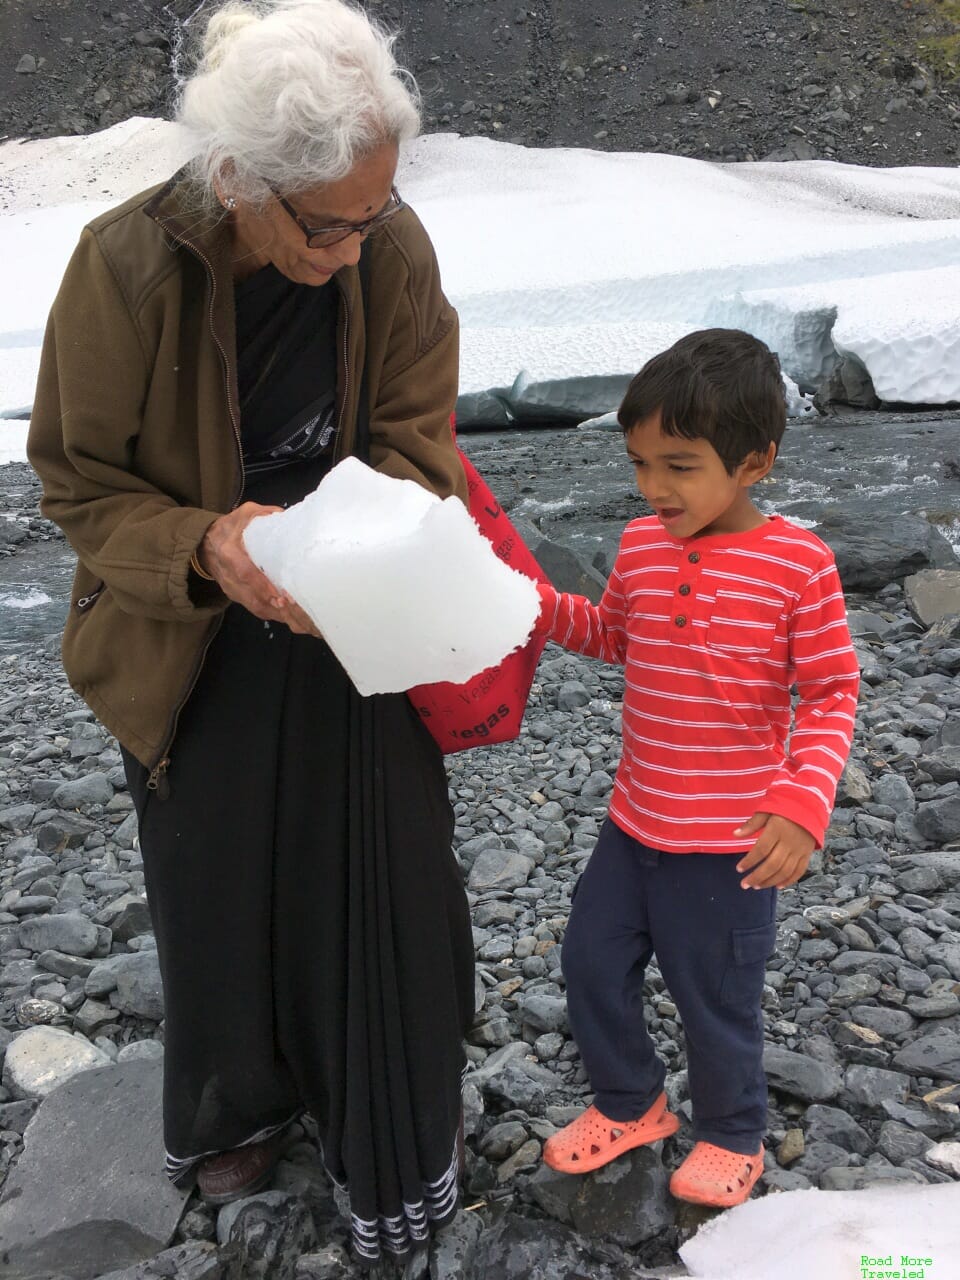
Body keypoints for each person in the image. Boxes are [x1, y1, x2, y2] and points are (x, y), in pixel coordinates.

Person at [27, 0, 475, 1262]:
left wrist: (354, 529)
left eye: (374, 211)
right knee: (215, 879)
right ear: (241, 184)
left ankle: (388, 1127)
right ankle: (237, 1103)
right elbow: (78, 480)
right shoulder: (125, 264)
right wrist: (212, 545)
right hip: (193, 635)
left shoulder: (389, 248)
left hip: (352, 618)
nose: (355, 243)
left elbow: (418, 438)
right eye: (326, 222)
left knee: (384, 872)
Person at [533, 329, 860, 1207]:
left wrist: (802, 804)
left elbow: (831, 693)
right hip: (633, 823)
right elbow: (611, 635)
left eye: (678, 466)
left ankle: (732, 1131)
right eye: (641, 463)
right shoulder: (642, 545)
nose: (652, 488)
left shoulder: (800, 565)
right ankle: (630, 1102)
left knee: (714, 998)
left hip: (730, 842)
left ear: (756, 460)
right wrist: (532, 607)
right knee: (590, 964)